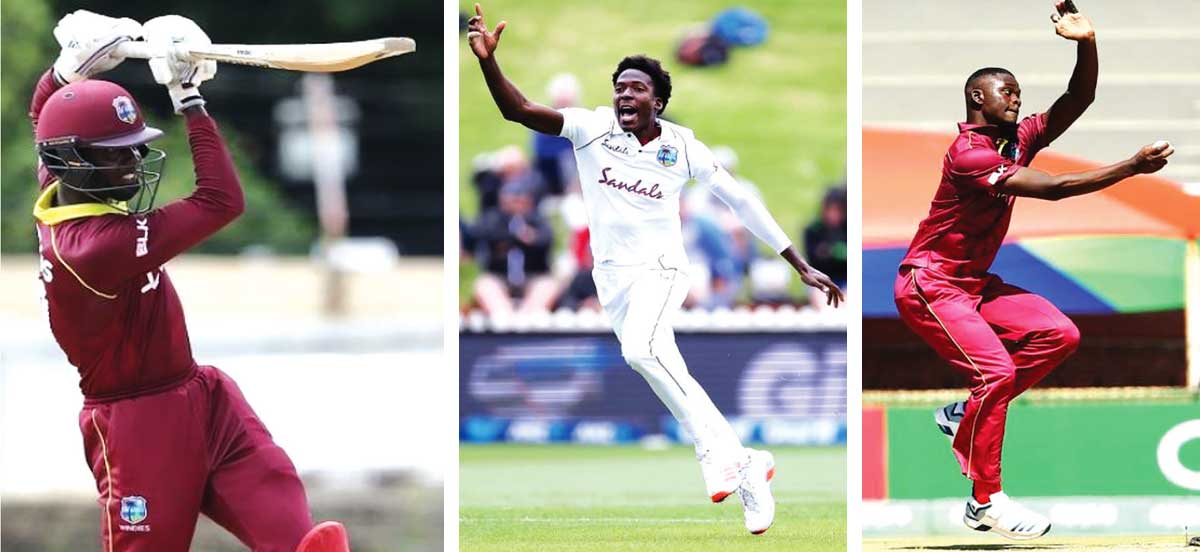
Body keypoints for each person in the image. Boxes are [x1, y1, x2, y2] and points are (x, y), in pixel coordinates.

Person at [466, 3, 844, 535]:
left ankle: (723, 458)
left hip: (662, 269)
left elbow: (740, 202)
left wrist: (797, 262)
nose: (624, 93)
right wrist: (488, 63)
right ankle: (744, 462)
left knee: (641, 350)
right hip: (611, 277)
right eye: (620, 86)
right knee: (658, 362)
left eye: (637, 87)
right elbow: (520, 111)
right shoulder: (592, 129)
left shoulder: (681, 147)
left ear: (658, 101)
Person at [31, 11, 349, 551]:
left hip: (205, 398)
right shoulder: (95, 248)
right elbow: (222, 201)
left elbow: (45, 114)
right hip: (136, 426)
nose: (134, 160)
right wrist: (189, 98)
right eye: (117, 153)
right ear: (73, 161)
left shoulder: (59, 182)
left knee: (307, 543)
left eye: (134, 144)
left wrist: (64, 72)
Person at [892, 3, 1173, 540]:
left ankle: (962, 415)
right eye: (1008, 92)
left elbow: (1079, 99)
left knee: (1058, 334)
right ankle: (986, 502)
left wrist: (1086, 41)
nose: (1017, 99)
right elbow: (1056, 188)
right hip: (930, 283)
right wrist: (1131, 168)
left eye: (1019, 92)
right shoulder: (969, 154)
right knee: (994, 373)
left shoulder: (1016, 139)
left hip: (972, 284)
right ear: (979, 97)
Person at [804, 186, 847, 308]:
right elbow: (812, 260)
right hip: (820, 281)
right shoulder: (813, 230)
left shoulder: (846, 229)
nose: (834, 215)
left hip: (843, 280)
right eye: (830, 210)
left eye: (838, 211)